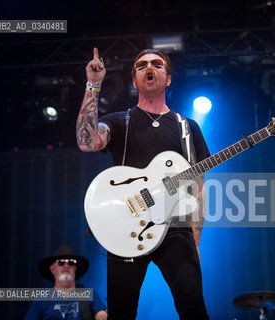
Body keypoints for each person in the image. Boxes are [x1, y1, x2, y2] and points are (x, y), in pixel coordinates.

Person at [76, 48, 210, 319]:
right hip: (127, 225)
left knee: (193, 309)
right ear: (135, 80)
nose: (149, 67)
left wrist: (195, 236)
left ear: (168, 78)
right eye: (141, 65)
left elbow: (198, 187)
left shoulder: (188, 127)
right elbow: (87, 142)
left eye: (157, 64)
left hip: (175, 227)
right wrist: (94, 85)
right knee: (122, 312)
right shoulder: (119, 121)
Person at [25, 244, 108, 320]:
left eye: (71, 262)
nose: (66, 265)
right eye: (61, 262)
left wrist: (101, 315)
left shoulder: (88, 292)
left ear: (75, 268)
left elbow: (100, 313)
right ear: (52, 269)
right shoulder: (42, 298)